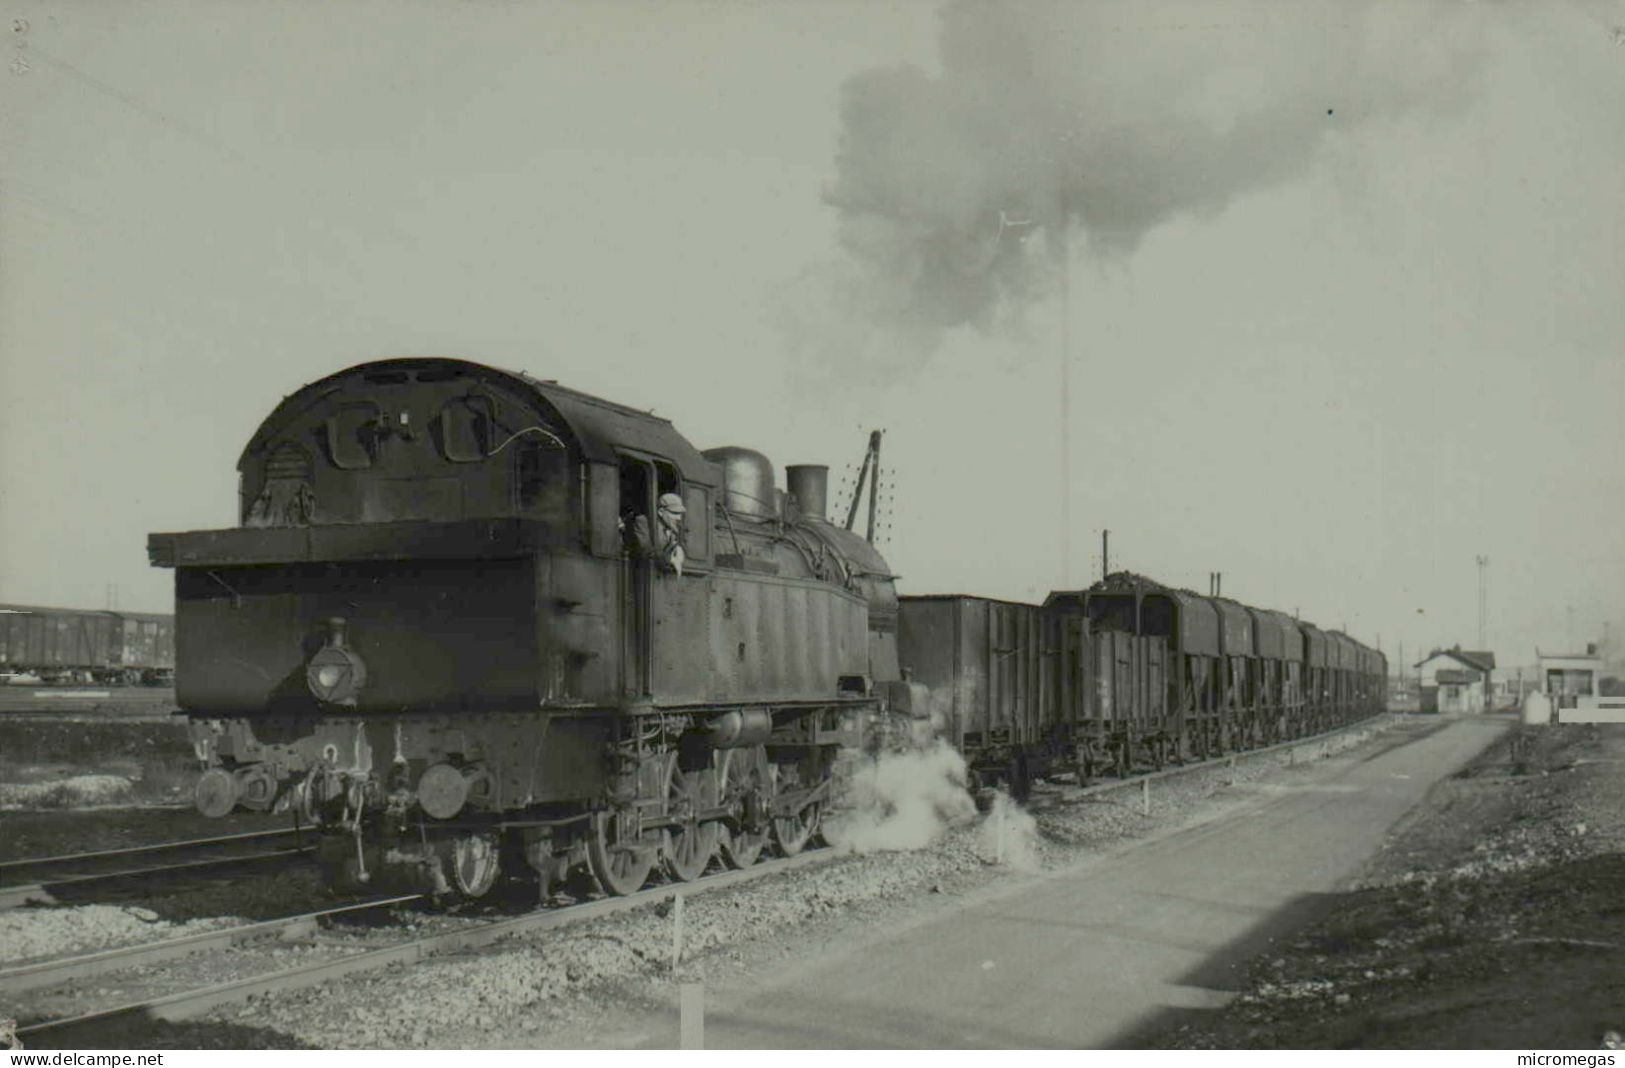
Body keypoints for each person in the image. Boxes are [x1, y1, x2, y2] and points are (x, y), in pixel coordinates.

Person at [631, 492, 687, 575]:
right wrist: (670, 559)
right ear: (661, 512)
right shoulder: (643, 522)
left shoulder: (675, 530)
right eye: (674, 513)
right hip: (642, 575)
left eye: (680, 514)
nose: (679, 518)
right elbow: (645, 550)